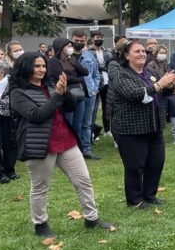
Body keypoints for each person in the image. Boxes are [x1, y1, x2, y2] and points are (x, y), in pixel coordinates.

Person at [10, 52, 113, 237]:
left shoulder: (50, 85)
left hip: (65, 139)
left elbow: (71, 107)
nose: (42, 69)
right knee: (40, 187)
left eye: (43, 66)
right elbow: (37, 115)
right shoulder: (18, 93)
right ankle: (40, 225)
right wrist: (58, 95)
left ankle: (92, 218)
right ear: (26, 68)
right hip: (40, 144)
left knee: (83, 180)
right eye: (37, 66)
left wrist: (65, 91)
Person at [110, 40, 175, 208]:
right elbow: (134, 94)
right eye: (136, 51)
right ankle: (135, 200)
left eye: (143, 51)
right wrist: (160, 85)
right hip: (131, 128)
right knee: (135, 166)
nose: (141, 54)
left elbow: (163, 92)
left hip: (154, 126)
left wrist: (170, 84)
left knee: (156, 162)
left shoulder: (151, 72)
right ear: (126, 56)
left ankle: (150, 195)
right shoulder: (121, 75)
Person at [46, 38, 92, 156]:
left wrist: (73, 60)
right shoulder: (53, 61)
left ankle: (77, 148)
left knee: (78, 124)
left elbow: (85, 72)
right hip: (66, 95)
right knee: (68, 123)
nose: (70, 48)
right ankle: (65, 149)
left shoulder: (71, 59)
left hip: (78, 94)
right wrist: (79, 79)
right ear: (61, 48)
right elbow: (62, 76)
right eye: (68, 46)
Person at [70, 30, 101, 159]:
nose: (79, 43)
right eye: (76, 40)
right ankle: (74, 149)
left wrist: (94, 88)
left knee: (87, 123)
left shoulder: (89, 56)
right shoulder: (66, 56)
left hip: (89, 93)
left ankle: (86, 149)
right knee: (74, 123)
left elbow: (96, 74)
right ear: (71, 39)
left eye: (82, 41)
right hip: (72, 94)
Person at [0, 60, 17, 184]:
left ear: (0, 72)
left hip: (9, 118)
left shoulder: (11, 81)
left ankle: (10, 170)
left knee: (10, 144)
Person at [89, 31, 112, 140]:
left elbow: (111, 63)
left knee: (107, 107)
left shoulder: (107, 51)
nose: (100, 39)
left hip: (107, 82)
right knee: (93, 109)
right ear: (92, 39)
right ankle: (93, 132)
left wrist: (103, 67)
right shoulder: (88, 52)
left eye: (101, 37)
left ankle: (108, 129)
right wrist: (102, 67)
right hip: (96, 84)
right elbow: (92, 67)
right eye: (97, 37)